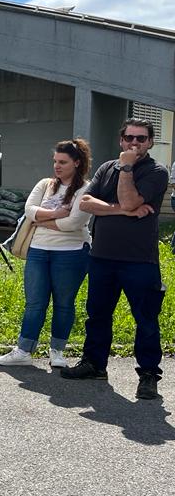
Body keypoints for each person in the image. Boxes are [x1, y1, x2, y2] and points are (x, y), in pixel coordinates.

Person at [60, 119, 168, 399]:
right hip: (102, 257)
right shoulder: (107, 167)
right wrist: (124, 211)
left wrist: (127, 168)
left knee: (146, 320)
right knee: (97, 315)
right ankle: (94, 365)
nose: (134, 143)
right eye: (129, 137)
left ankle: (148, 375)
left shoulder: (156, 172)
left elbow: (131, 200)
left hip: (139, 261)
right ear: (121, 140)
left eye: (141, 139)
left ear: (150, 142)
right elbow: (85, 203)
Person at [0, 139, 93, 368]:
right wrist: (57, 213)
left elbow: (74, 223)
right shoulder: (45, 184)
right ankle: (23, 351)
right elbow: (29, 210)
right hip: (38, 250)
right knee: (34, 303)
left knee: (64, 304)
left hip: (71, 253)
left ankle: (57, 351)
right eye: (55, 161)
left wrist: (42, 220)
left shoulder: (85, 189)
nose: (57, 166)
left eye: (63, 162)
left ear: (77, 163)